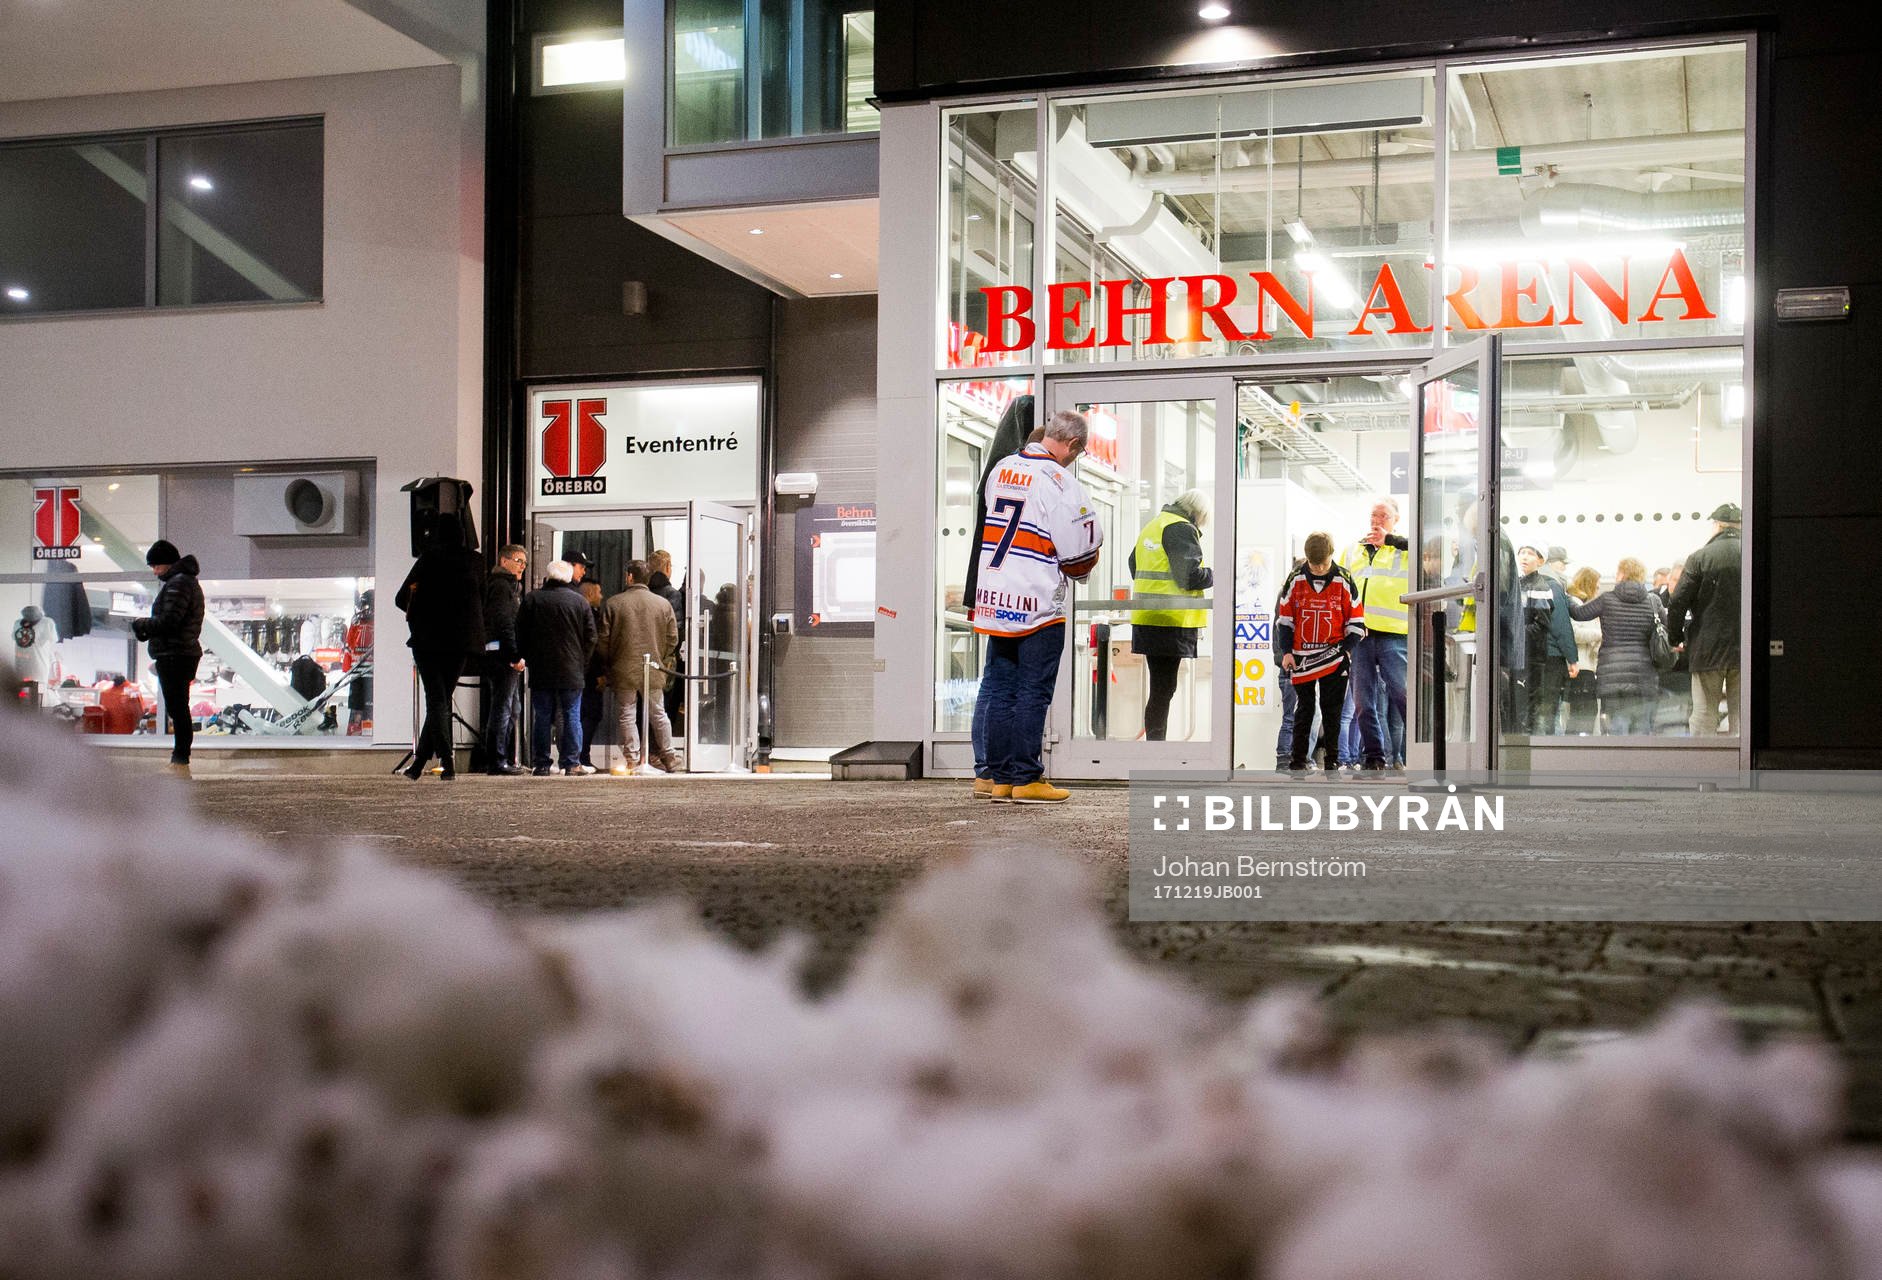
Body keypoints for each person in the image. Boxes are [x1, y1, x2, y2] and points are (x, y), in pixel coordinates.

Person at [971, 409, 1104, 803]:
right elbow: (1079, 553)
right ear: (1074, 445)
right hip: (1036, 602)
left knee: (998, 688)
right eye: (1078, 452)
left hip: (996, 598)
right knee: (1032, 692)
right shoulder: (1061, 483)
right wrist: (1083, 566)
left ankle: (997, 778)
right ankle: (1027, 777)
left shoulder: (1001, 468)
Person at [965, 396, 1039, 794]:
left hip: (991, 586)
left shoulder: (997, 472)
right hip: (1011, 589)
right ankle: (994, 768)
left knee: (995, 678)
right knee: (1006, 680)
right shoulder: (1022, 473)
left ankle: (988, 770)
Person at [1274, 532, 1366, 777]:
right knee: (1304, 709)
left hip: (1335, 655)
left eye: (1323, 564)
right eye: (1314, 565)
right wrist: (1286, 653)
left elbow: (1356, 621)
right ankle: (1297, 762)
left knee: (1332, 710)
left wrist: (1346, 650)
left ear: (1331, 557)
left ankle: (1332, 762)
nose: (1318, 569)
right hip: (1302, 656)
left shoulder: (1345, 579)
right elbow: (1284, 619)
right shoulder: (1294, 579)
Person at [395, 537, 485, 780]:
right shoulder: (474, 562)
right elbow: (482, 601)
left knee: (436, 699)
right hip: (460, 642)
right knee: (442, 699)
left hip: (428, 640)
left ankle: (446, 761)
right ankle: (421, 763)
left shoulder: (428, 560)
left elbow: (401, 598)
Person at [1128, 488, 1213, 741]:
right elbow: (1189, 576)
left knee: (1160, 688)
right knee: (1164, 689)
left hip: (1148, 618)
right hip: (1170, 620)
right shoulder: (1181, 528)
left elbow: (1133, 564)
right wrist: (1216, 574)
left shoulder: (1155, 524)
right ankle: (1157, 747)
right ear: (1198, 513)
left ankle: (1156, 744)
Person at [1340, 498, 1410, 770]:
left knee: (1403, 696)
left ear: (1395, 520)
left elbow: (1428, 551)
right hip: (1361, 636)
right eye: (1373, 515)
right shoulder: (1351, 551)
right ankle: (1374, 757)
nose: (1377, 520)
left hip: (1394, 635)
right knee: (1362, 703)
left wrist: (1390, 540)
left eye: (1384, 516)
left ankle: (1419, 754)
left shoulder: (1403, 550)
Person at [598, 559, 682, 775]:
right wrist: (661, 659)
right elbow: (673, 638)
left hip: (623, 668)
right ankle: (669, 757)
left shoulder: (614, 603)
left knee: (627, 714)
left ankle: (633, 760)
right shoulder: (663, 604)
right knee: (659, 713)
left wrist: (610, 663)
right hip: (654, 667)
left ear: (629, 577)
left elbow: (603, 640)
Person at [131, 539, 205, 776]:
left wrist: (141, 624)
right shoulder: (183, 582)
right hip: (179, 653)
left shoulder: (179, 583)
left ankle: (180, 758)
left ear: (167, 563)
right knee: (178, 707)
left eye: (156, 566)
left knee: (178, 708)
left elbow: (170, 620)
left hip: (176, 653)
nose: (154, 571)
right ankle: (180, 757)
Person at [515, 559, 596, 776]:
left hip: (541, 667)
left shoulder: (532, 599)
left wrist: (526, 656)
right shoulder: (579, 601)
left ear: (548, 576)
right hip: (572, 667)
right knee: (571, 714)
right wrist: (582, 662)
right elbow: (591, 637)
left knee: (542, 715)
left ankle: (541, 763)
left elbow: (520, 633)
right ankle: (571, 762)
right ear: (569, 577)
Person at [1566, 558, 1664, 735]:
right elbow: (1667, 628)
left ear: (1622, 574)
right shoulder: (1653, 601)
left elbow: (1579, 614)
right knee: (1641, 730)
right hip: (1643, 674)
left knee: (1615, 731)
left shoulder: (1607, 599)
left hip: (1612, 674)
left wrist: (1566, 597)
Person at [1669, 504, 1742, 736]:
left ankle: (1704, 766)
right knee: (1741, 714)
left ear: (1717, 525)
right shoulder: (1752, 552)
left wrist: (1676, 636)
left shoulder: (1700, 557)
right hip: (1745, 648)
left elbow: (1677, 602)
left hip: (1707, 647)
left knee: (1704, 713)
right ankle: (1742, 768)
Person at [1514, 544, 1579, 734]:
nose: (1564, 568)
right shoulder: (1551, 586)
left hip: (1531, 655)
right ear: (1548, 563)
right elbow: (1560, 626)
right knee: (1547, 710)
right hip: (1548, 657)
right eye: (1562, 564)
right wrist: (1572, 657)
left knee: (1534, 709)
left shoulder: (1526, 584)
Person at [480, 544, 528, 775]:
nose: (523, 566)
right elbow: (503, 622)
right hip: (502, 656)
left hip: (502, 653)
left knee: (512, 707)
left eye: (525, 563)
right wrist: (514, 655)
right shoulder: (501, 587)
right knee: (503, 708)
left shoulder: (510, 587)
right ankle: (497, 760)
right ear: (504, 561)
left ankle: (504, 758)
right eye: (518, 561)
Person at [648, 549, 686, 737]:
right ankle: (661, 750)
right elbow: (675, 632)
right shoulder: (672, 595)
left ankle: (642, 752)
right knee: (664, 708)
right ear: (668, 568)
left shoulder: (642, 591)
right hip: (664, 661)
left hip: (642, 658)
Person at [1563, 567, 1602, 735]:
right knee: (1584, 714)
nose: (1598, 590)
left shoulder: (1582, 604)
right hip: (1580, 665)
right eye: (1597, 585)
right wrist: (1600, 634)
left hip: (1585, 665)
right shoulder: (1576, 604)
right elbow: (1575, 633)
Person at [577, 579, 606, 768]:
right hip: (588, 673)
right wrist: (600, 673)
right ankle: (582, 755)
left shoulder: (581, 611)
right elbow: (594, 646)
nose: (601, 596)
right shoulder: (589, 615)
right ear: (589, 594)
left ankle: (580, 755)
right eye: (599, 592)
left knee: (582, 714)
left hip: (579, 670)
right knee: (590, 714)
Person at [11, 605, 60, 706]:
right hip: (20, 665)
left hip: (38, 666)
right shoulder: (17, 623)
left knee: (37, 699)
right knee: (21, 697)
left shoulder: (47, 623)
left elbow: (52, 640)